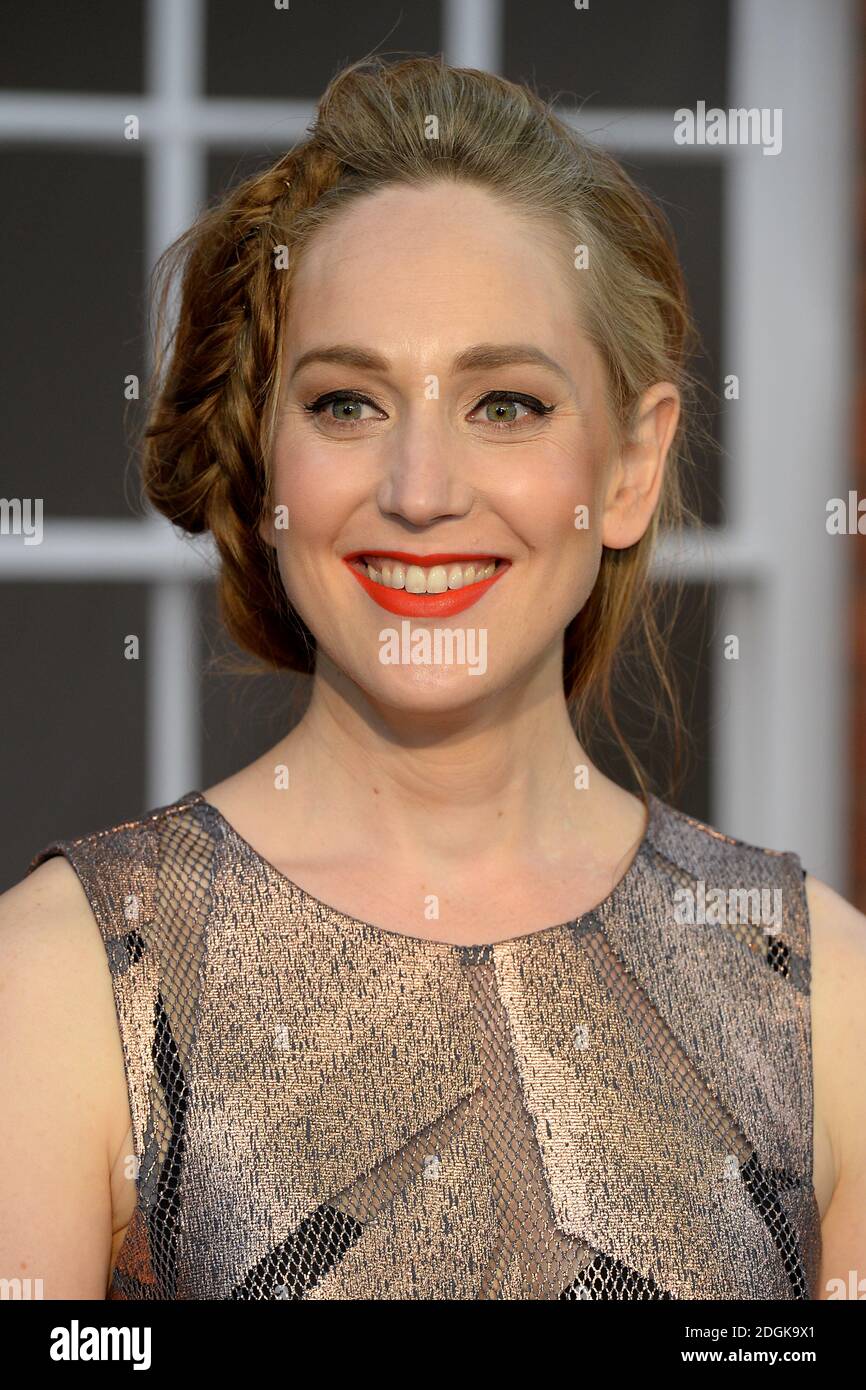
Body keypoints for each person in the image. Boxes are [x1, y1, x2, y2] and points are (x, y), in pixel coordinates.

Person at [1, 54, 864, 1301]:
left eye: (504, 404)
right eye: (345, 403)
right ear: (263, 468)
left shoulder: (821, 997)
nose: (417, 490)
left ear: (628, 466)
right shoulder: (64, 983)